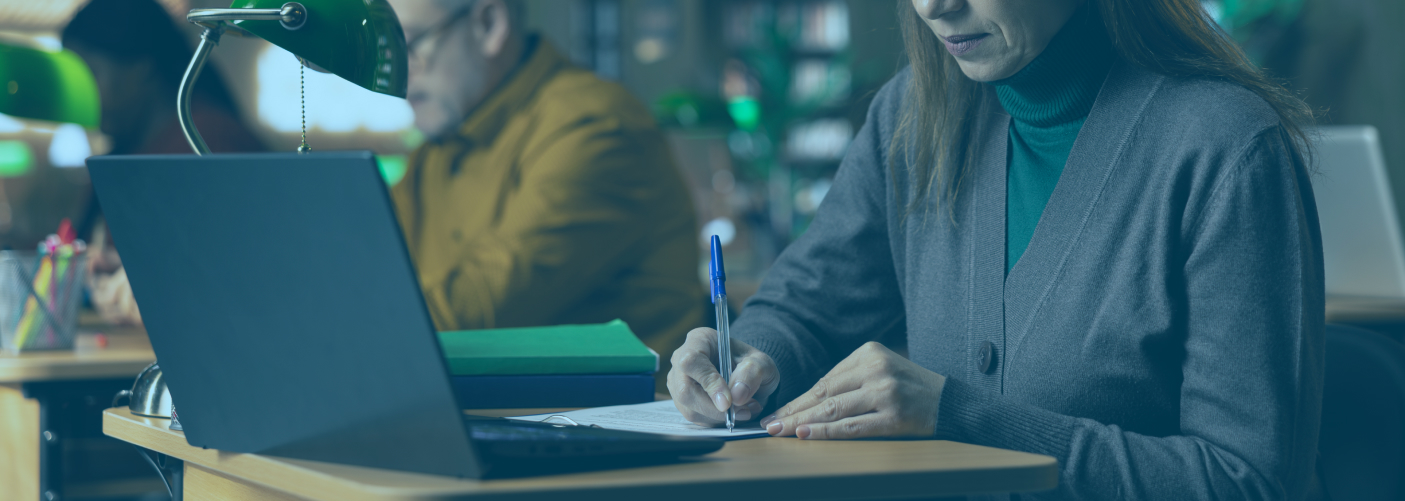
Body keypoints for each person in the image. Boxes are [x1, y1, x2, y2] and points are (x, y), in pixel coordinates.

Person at [671, 0, 1325, 499]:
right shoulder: (910, 114)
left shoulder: (1225, 148)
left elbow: (1246, 480)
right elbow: (808, 305)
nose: (934, 7)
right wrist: (748, 359)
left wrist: (958, 418)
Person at [386, 0, 702, 390]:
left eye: (410, 43)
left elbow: (476, 315)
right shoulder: (436, 152)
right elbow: (371, 274)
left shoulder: (595, 127)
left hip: (619, 416)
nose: (396, 70)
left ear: (489, 24)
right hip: (482, 406)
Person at [62, 0, 268, 325]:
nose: (79, 94)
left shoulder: (209, 141)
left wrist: (160, 283)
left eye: (89, 74)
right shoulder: (123, 155)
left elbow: (243, 271)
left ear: (141, 68)